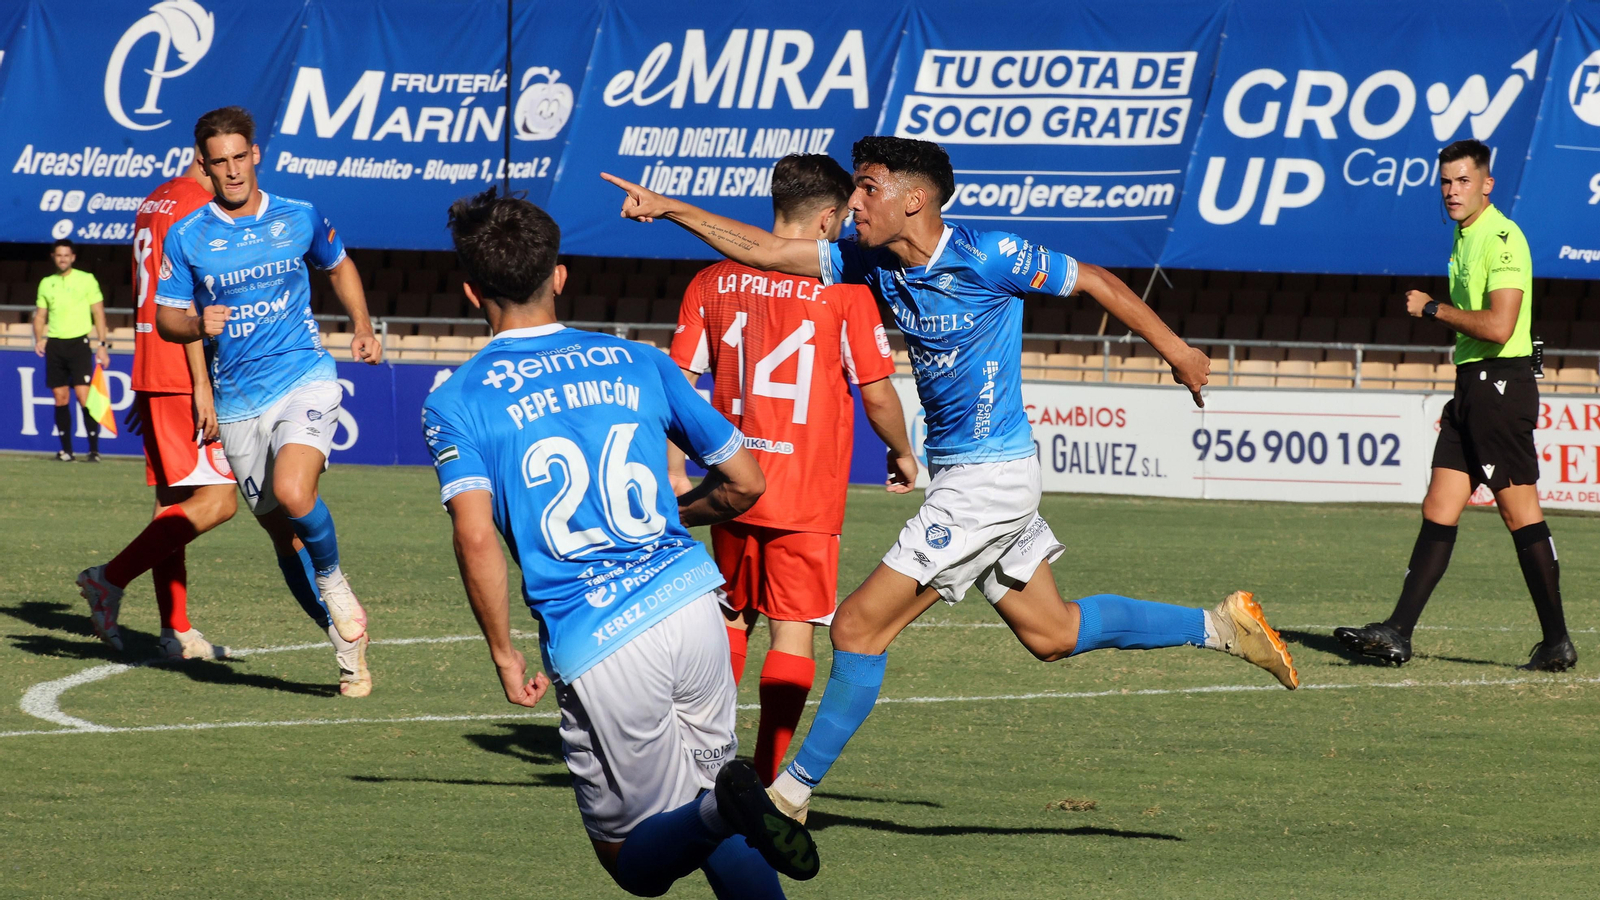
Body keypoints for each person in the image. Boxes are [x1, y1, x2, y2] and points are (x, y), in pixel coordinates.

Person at [603, 134, 1299, 823]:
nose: (854, 201)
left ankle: (788, 796)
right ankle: (1218, 627)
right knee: (1051, 633)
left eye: (867, 188)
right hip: (968, 479)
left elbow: (1094, 280)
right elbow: (761, 249)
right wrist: (670, 208)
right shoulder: (865, 261)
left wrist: (1178, 351)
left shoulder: (987, 255)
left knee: (855, 628)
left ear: (914, 199)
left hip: (989, 483)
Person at [423, 187, 818, 899]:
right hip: (692, 602)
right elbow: (746, 483)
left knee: (634, 861)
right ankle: (725, 805)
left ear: (471, 289)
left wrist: (504, 652)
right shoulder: (637, 360)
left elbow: (475, 532)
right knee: (715, 821)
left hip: (598, 636)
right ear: (561, 274)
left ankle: (721, 804)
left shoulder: (457, 399)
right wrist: (676, 512)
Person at [667, 153, 916, 785]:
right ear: (830, 217)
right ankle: (770, 777)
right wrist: (903, 450)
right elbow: (878, 391)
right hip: (805, 495)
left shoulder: (711, 280)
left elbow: (679, 383)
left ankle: (707, 762)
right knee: (793, 630)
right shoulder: (845, 290)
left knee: (729, 615)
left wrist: (675, 465)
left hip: (730, 483)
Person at [150, 106, 380, 695]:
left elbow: (339, 263)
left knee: (293, 492)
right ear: (204, 166)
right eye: (217, 162)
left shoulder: (299, 216)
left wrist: (362, 323)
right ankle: (344, 644)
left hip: (305, 374)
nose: (231, 170)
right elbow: (165, 319)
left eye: (238, 157)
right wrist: (198, 322)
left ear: (256, 155)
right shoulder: (189, 236)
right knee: (283, 535)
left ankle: (333, 580)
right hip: (238, 402)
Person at [1335, 139, 1575, 672]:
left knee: (1521, 514)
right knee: (1438, 506)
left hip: (1500, 388)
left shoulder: (1503, 239)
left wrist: (1432, 309)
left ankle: (1557, 639)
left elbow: (1500, 327)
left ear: (1486, 184)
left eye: (1463, 180)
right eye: (1445, 181)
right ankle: (1398, 631)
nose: (1452, 191)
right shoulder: (1464, 237)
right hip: (1472, 387)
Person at [76, 160, 240, 660]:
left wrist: (148, 378)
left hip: (154, 367)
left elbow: (147, 284)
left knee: (173, 505)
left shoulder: (153, 201)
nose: (234, 173)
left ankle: (177, 631)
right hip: (180, 372)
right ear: (206, 156)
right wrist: (199, 385)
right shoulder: (196, 204)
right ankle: (110, 578)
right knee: (218, 502)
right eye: (225, 161)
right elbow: (188, 296)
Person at [33, 239, 110, 462]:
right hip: (56, 344)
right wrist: (39, 339)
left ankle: (94, 450)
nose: (63, 259)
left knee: (84, 397)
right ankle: (67, 450)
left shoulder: (86, 279)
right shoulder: (47, 283)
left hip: (79, 344)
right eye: (59, 255)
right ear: (53, 257)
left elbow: (99, 313)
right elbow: (40, 315)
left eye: (66, 255)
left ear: (73, 257)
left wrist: (102, 345)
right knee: (60, 397)